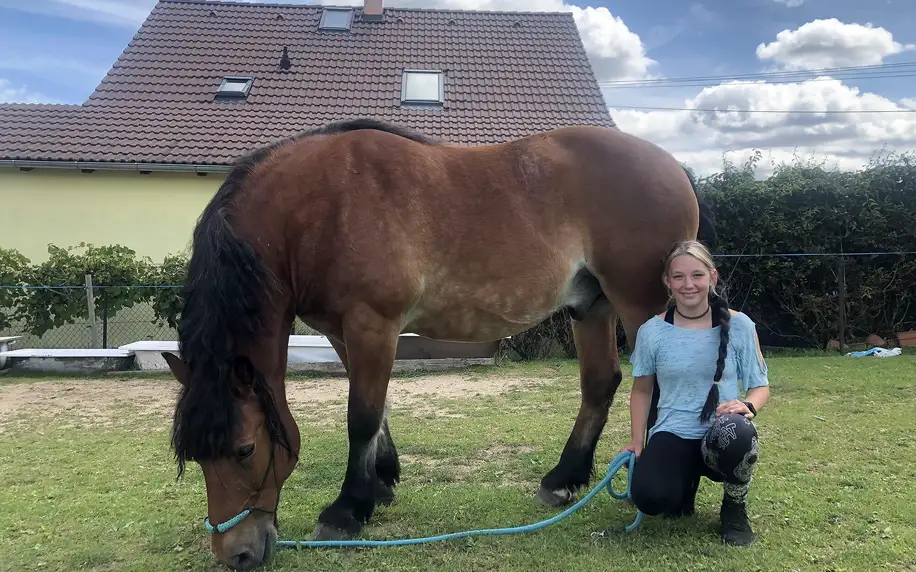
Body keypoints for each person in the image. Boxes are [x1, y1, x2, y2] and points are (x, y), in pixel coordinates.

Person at [622, 239, 771, 546]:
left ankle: (734, 508)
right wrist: (637, 442)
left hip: (720, 435)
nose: (688, 284)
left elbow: (761, 386)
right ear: (667, 282)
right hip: (673, 432)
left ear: (712, 277)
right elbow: (641, 391)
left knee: (740, 432)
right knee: (650, 498)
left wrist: (748, 405)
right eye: (678, 277)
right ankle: (683, 484)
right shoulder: (652, 331)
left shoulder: (740, 325)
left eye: (697, 275)